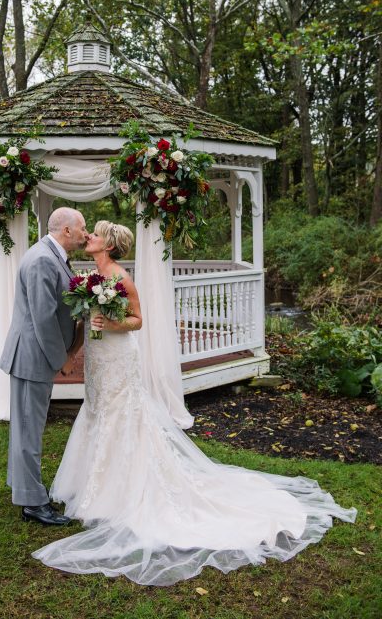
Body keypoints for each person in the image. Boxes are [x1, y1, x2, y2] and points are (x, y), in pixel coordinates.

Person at [32, 220, 357, 585]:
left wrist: (111, 324)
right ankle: (91, 484)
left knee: (121, 415)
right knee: (97, 411)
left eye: (94, 233)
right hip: (98, 357)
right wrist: (71, 351)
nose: (88, 235)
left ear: (107, 244)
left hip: (119, 356)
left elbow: (137, 321)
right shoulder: (91, 275)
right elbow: (83, 322)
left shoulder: (121, 277)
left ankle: (120, 491)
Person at [0, 207, 88, 526]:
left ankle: (23, 486)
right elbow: (43, 318)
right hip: (32, 357)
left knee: (26, 428)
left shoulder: (51, 255)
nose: (85, 233)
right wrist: (62, 358)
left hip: (33, 357)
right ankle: (33, 504)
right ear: (66, 231)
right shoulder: (41, 260)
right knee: (28, 430)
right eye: (82, 228)